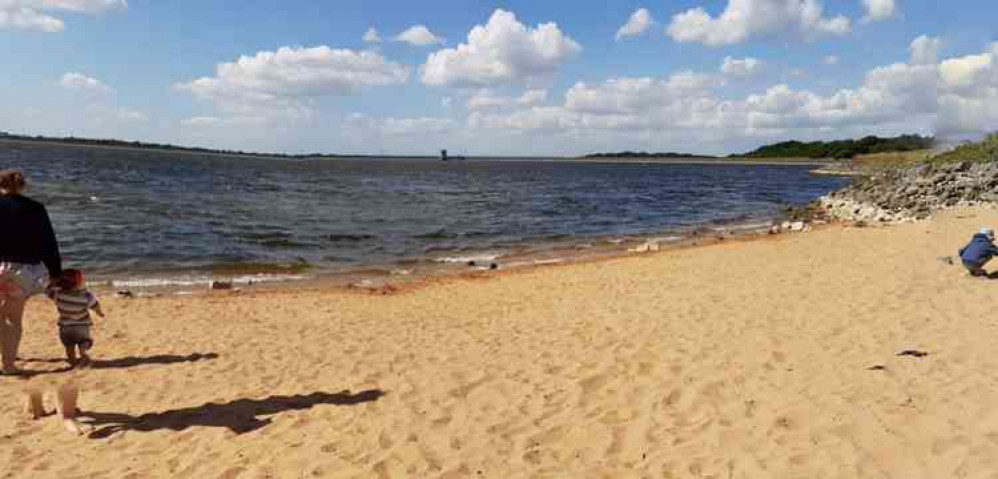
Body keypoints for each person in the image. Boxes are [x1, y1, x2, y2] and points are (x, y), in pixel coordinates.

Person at [0, 170, 62, 375]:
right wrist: (55, 272)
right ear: (22, 186)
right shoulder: (36, 209)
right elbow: (48, 244)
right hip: (21, 271)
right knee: (12, 318)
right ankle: (8, 365)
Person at [48, 269, 104, 368]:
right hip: (82, 326)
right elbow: (95, 305)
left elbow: (48, 290)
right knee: (85, 341)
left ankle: (73, 363)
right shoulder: (86, 296)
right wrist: (99, 312)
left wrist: (53, 283)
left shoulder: (58, 294)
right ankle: (82, 350)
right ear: (79, 283)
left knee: (69, 346)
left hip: (65, 327)